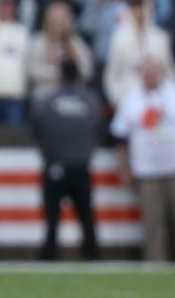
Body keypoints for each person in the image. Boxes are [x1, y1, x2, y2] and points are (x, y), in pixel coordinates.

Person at [30, 61, 102, 261]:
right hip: (80, 166)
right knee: (86, 218)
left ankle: (49, 259)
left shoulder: (46, 101)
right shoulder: (90, 101)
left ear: (60, 76)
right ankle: (93, 258)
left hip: (55, 166)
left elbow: (37, 131)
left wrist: (50, 156)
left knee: (52, 221)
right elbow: (97, 128)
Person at [110, 57, 175, 261]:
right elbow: (119, 136)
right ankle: (156, 267)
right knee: (153, 225)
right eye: (146, 72)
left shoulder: (172, 94)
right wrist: (124, 168)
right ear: (140, 75)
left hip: (173, 170)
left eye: (153, 71)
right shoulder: (131, 99)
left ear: (161, 73)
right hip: (146, 172)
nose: (150, 76)